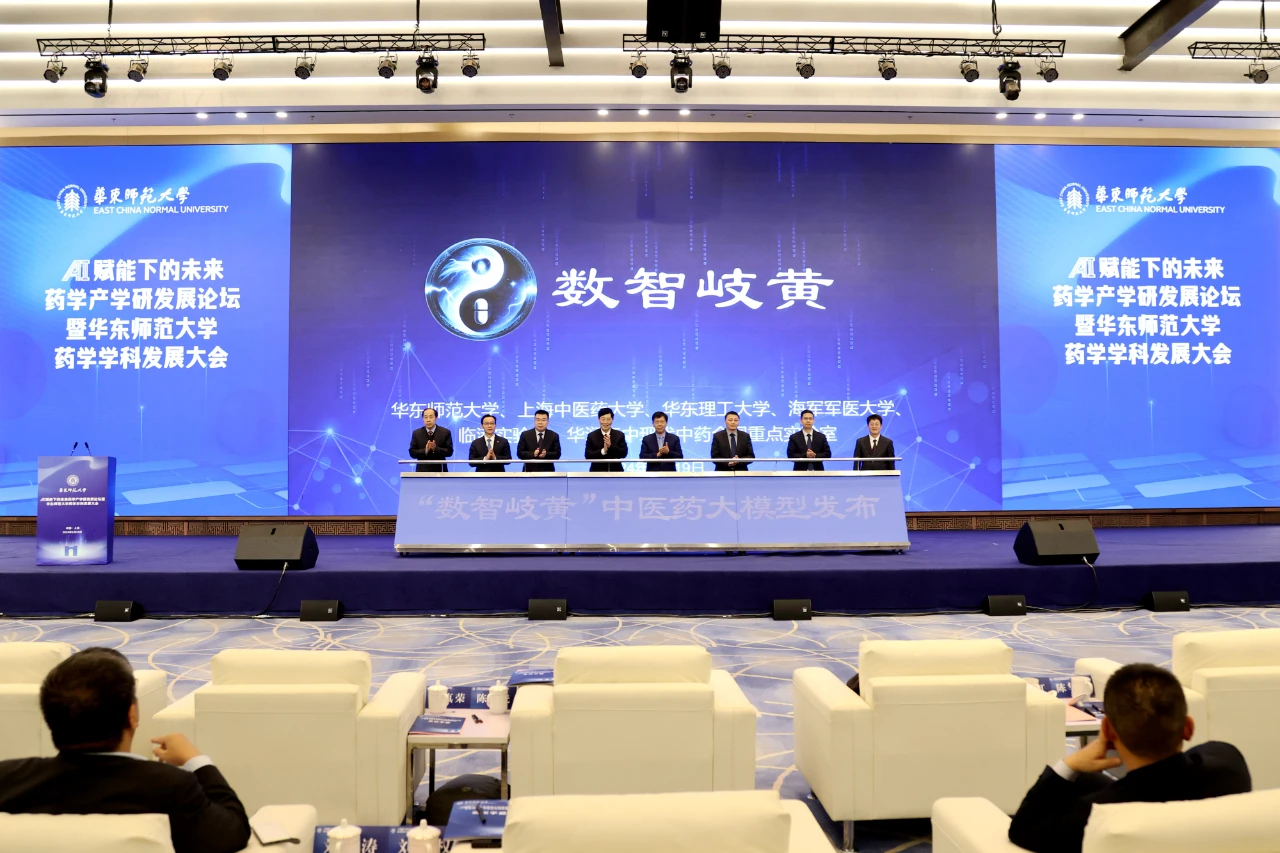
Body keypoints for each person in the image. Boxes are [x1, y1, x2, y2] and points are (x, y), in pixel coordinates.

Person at [0, 647, 250, 853]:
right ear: (132, 715)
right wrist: (197, 761)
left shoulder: (9, 779)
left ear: (50, 717)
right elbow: (233, 833)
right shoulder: (170, 786)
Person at [1008, 662, 1251, 853]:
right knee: (1083, 780)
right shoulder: (1229, 763)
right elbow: (1172, 772)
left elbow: (1023, 829)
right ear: (1188, 728)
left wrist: (1069, 764)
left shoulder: (1098, 815)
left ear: (1107, 731)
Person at [409, 407, 454, 473]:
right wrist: (425, 450)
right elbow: (412, 452)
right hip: (422, 472)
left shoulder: (445, 432)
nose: (428, 420)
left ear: (436, 418)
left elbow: (449, 452)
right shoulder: (416, 433)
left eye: (431, 417)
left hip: (440, 471)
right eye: (425, 417)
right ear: (423, 419)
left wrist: (436, 449)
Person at [585, 407, 628, 472]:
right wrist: (603, 451)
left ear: (612, 419)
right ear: (599, 419)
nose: (605, 422)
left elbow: (624, 453)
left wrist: (610, 446)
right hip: (597, 472)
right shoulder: (592, 436)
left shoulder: (619, 435)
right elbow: (588, 456)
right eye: (603, 419)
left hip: (616, 472)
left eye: (608, 419)